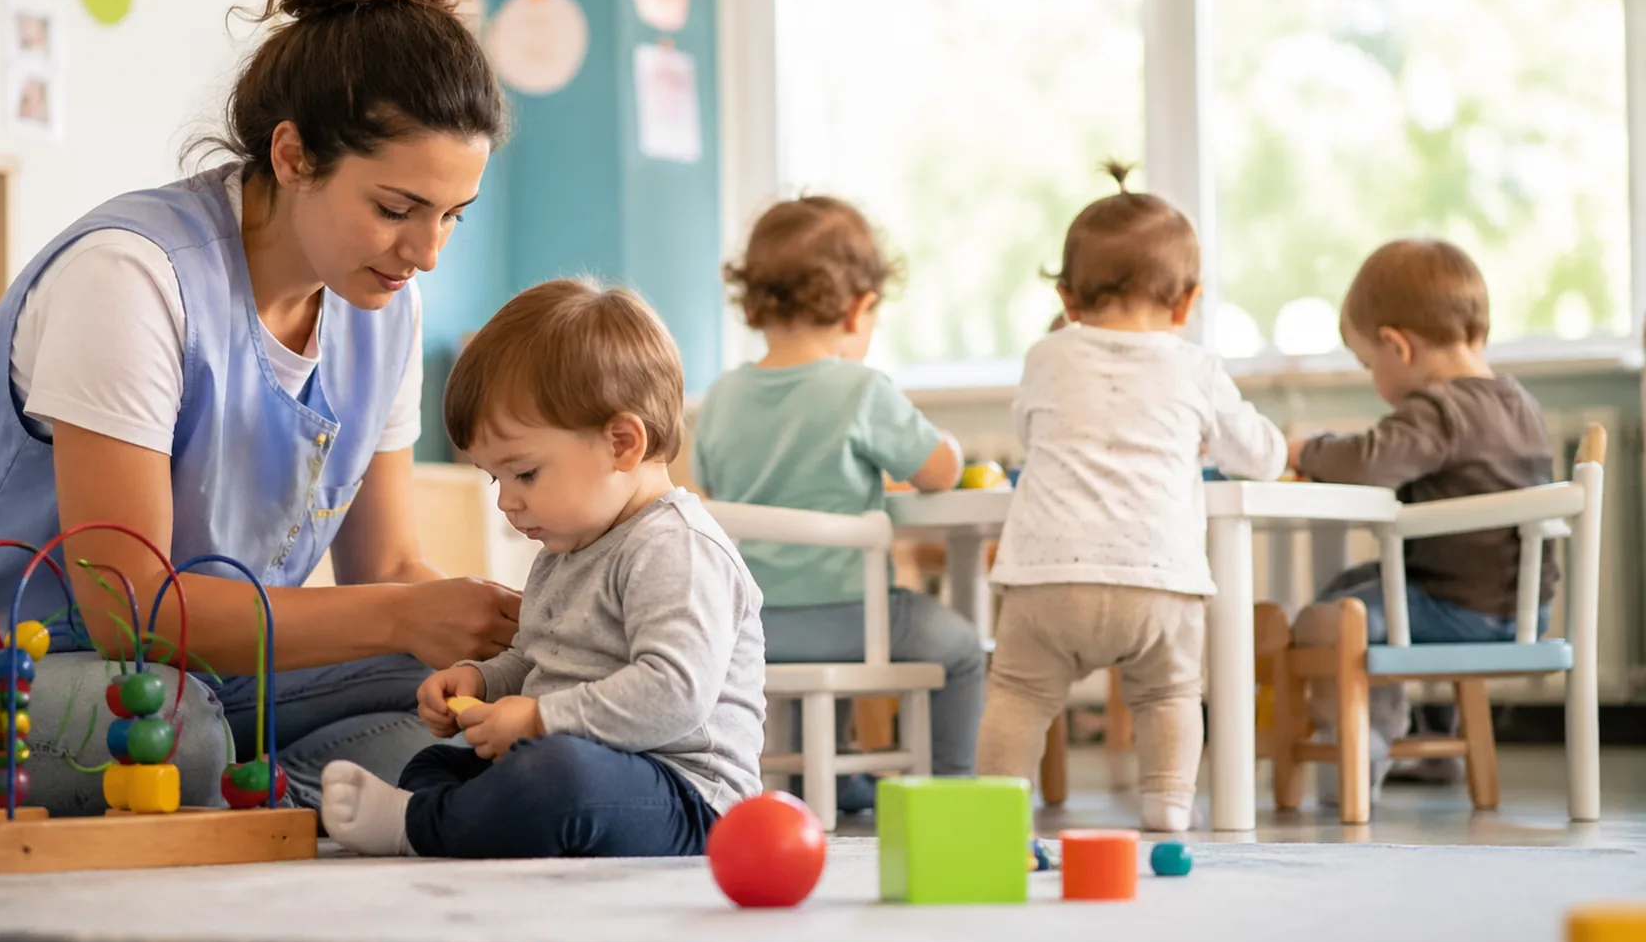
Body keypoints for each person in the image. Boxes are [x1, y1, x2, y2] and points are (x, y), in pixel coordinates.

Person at [0, 0, 521, 843]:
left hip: (186, 685)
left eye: (451, 217)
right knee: (178, 734)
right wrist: (403, 612)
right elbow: (132, 615)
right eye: (396, 209)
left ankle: (270, 805)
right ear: (291, 155)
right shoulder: (132, 277)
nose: (426, 250)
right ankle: (280, 802)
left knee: (472, 702)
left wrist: (489, 646)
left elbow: (390, 569)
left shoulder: (384, 309)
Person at [319, 280, 765, 857]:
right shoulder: (566, 548)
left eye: (524, 474)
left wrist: (539, 719)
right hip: (581, 759)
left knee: (555, 777)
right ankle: (440, 814)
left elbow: (674, 692)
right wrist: (482, 680)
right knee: (436, 763)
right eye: (494, 478)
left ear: (622, 444)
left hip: (686, 795)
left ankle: (421, 827)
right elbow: (538, 658)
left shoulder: (675, 548)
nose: (506, 500)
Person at [977, 161, 1285, 833]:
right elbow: (1258, 457)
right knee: (1171, 692)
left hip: (1046, 576)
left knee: (1018, 694)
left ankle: (997, 808)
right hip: (1159, 578)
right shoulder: (1197, 367)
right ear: (1187, 302)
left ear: (1067, 299)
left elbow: (1031, 427)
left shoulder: (1045, 357)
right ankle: (1169, 802)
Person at [691, 196, 980, 809]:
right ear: (858, 308)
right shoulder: (861, 390)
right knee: (960, 650)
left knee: (842, 609)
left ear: (753, 300)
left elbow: (715, 495)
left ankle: (824, 779)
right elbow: (937, 472)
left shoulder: (720, 398)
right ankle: (956, 791)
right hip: (850, 621)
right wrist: (952, 447)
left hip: (755, 626)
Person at [1288, 238, 1555, 804]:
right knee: (1350, 588)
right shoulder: (1520, 404)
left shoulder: (1438, 410)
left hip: (1457, 609)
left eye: (1367, 363)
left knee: (1329, 618)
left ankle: (1369, 734)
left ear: (1397, 346)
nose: (1372, 377)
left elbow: (1366, 460)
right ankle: (1425, 730)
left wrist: (1305, 451)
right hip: (1527, 609)